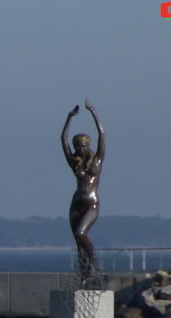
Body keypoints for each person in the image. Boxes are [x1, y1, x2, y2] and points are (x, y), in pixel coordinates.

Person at [61, 98, 105, 284]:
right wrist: (69, 117)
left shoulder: (97, 161)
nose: (80, 149)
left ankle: (92, 264)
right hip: (75, 206)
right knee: (78, 243)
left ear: (89, 146)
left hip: (91, 204)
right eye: (78, 146)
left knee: (81, 234)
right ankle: (84, 274)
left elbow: (102, 133)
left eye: (84, 146)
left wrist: (93, 111)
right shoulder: (74, 162)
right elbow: (63, 140)